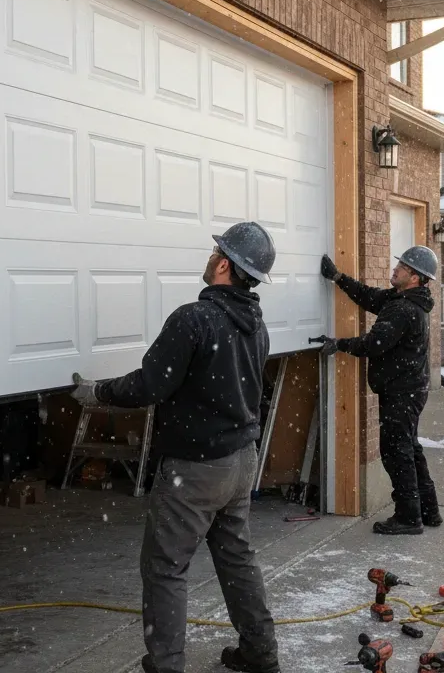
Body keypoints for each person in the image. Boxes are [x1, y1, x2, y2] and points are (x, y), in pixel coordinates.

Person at [69, 222, 280, 673]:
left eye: (216, 252)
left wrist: (97, 392)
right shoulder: (256, 325)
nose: (210, 257)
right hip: (241, 461)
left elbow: (150, 385)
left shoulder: (194, 319)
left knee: (165, 568)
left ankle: (166, 666)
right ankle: (261, 653)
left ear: (224, 266)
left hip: (196, 469)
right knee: (237, 559)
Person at [317, 246, 442, 536]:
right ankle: (428, 510)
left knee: (396, 452)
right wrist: (338, 277)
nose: (395, 269)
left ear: (415, 277)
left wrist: (339, 344)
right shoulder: (406, 300)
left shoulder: (403, 309)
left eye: (402, 267)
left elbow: (373, 343)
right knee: (409, 448)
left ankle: (408, 517)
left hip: (402, 392)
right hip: (410, 389)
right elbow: (370, 297)